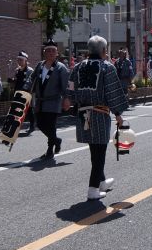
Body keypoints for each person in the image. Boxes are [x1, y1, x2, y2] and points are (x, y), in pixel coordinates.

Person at [65, 36, 127, 207]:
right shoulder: (107, 67)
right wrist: (118, 114)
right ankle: (93, 189)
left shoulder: (78, 67)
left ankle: (101, 182)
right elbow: (112, 92)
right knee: (100, 151)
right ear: (104, 51)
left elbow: (70, 87)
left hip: (83, 112)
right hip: (99, 113)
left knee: (94, 150)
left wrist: (69, 99)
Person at [25, 40, 69, 160]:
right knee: (40, 124)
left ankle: (50, 150)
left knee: (51, 126)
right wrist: (25, 88)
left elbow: (65, 85)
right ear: (44, 52)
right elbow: (31, 78)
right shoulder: (40, 65)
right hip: (40, 101)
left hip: (53, 101)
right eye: (48, 50)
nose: (50, 53)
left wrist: (66, 98)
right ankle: (56, 140)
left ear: (57, 53)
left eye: (53, 51)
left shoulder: (61, 68)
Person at [8, 51, 35, 134]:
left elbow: (31, 82)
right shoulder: (17, 70)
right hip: (18, 92)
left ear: (25, 61)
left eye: (21, 60)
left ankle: (32, 126)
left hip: (26, 93)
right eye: (18, 60)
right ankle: (15, 127)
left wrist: (26, 89)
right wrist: (12, 80)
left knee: (29, 110)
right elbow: (16, 81)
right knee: (17, 110)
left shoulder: (30, 71)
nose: (19, 61)